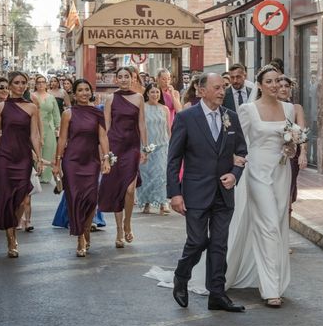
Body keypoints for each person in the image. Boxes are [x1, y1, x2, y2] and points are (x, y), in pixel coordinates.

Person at [167, 73, 248, 312]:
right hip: (195, 191)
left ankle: (217, 294)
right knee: (198, 241)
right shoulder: (185, 118)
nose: (222, 92)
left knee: (220, 244)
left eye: (223, 87)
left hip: (224, 193)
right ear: (201, 91)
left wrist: (234, 173)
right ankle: (182, 275)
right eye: (216, 88)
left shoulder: (231, 118)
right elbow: (174, 159)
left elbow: (242, 150)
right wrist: (175, 193)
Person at [231, 65, 294, 307]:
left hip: (281, 169)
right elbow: (238, 141)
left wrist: (291, 147)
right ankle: (271, 289)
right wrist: (233, 163)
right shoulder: (248, 110)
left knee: (278, 223)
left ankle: (273, 279)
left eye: (277, 80)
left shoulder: (288, 108)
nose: (275, 84)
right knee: (267, 223)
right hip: (257, 169)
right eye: (269, 81)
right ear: (259, 85)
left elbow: (290, 141)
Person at [53, 79, 111, 257]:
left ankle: (86, 230)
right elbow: (62, 140)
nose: (84, 93)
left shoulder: (97, 113)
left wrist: (106, 159)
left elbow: (103, 138)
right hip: (72, 161)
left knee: (92, 198)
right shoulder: (68, 114)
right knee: (75, 198)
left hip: (91, 161)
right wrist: (57, 163)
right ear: (75, 94)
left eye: (87, 89)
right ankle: (80, 238)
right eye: (80, 90)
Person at [0, 71, 43, 258]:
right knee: (5, 195)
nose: (20, 86)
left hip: (23, 156)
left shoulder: (32, 107)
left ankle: (14, 221)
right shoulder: (0, 107)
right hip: (4, 156)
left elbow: (34, 135)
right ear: (10, 85)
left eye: (23, 83)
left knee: (22, 197)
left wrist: (39, 156)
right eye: (17, 83)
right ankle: (11, 238)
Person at [98, 67, 149, 248]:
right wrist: (105, 153)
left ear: (133, 78)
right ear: (116, 80)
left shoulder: (139, 98)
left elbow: (142, 124)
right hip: (115, 147)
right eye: (120, 77)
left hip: (132, 147)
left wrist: (145, 148)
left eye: (126, 76)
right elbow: (106, 127)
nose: (123, 79)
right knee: (117, 189)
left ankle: (128, 222)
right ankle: (119, 229)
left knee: (129, 190)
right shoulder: (111, 98)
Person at [276, 75, 308, 217]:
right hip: (274, 154)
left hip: (292, 155)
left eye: (286, 86)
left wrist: (303, 153)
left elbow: (301, 132)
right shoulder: (270, 108)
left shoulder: (296, 108)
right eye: (280, 86)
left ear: (290, 89)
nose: (283, 89)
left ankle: (286, 222)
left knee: (288, 188)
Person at [136, 83, 171, 214]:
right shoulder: (142, 108)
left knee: (161, 174)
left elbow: (168, 128)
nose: (155, 95)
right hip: (146, 147)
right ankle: (146, 202)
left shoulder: (165, 109)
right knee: (146, 175)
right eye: (152, 92)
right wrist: (141, 147)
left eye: (157, 92)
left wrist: (171, 144)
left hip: (162, 145)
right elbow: (140, 127)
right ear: (147, 94)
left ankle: (163, 203)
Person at [32, 75, 61, 183]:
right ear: (35, 84)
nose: (41, 84)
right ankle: (36, 174)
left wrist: (58, 128)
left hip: (49, 127)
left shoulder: (51, 97)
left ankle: (45, 176)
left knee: (49, 150)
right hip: (34, 127)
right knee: (36, 150)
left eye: (43, 82)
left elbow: (56, 114)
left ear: (46, 84)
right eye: (38, 82)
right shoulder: (32, 96)